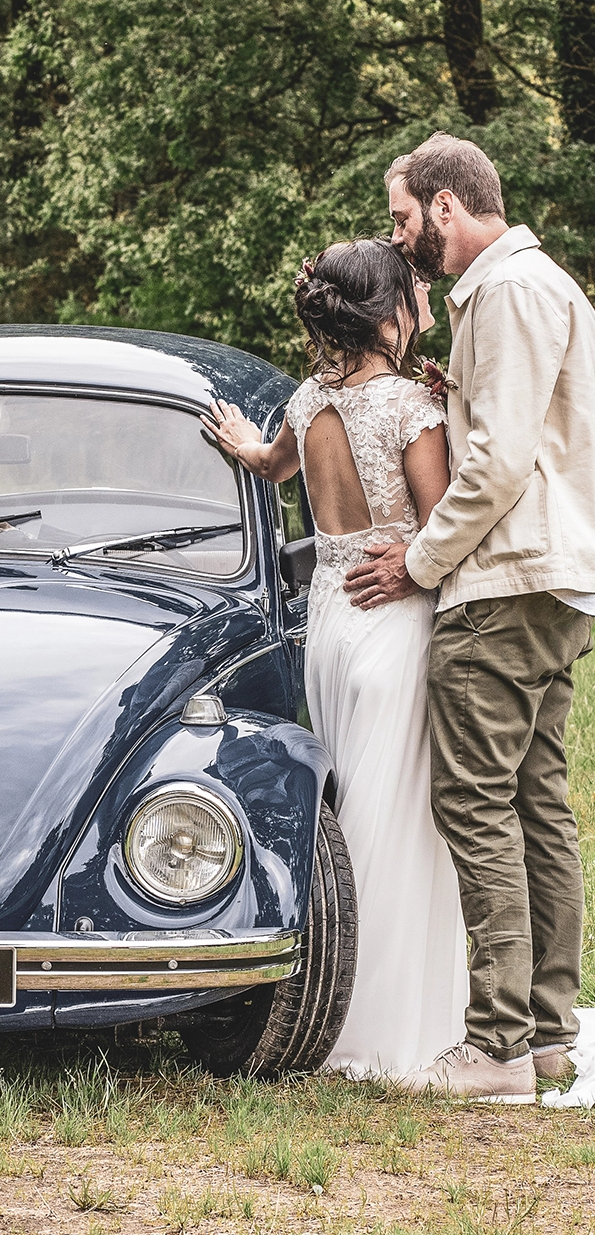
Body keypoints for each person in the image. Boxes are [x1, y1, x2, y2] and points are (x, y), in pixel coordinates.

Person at [345, 132, 595, 1104]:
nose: (402, 237)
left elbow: (494, 467)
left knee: (476, 802)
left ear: (447, 207)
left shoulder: (506, 291)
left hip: (503, 583)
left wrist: (416, 560)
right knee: (535, 803)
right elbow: (530, 433)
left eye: (405, 217)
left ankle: (490, 1040)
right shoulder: (537, 289)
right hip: (553, 580)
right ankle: (543, 1037)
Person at [201, 238, 469, 1080]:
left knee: (349, 812)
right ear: (388, 313)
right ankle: (393, 1022)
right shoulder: (407, 409)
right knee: (401, 823)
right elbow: (442, 526)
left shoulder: (305, 397)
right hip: (391, 619)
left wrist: (243, 440)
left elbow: (269, 466)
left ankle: (327, 1002)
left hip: (327, 622)